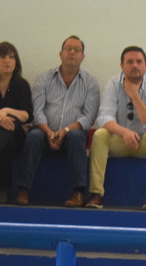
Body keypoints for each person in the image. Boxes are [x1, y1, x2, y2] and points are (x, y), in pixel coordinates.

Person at [15, 36, 99, 207]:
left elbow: (88, 116)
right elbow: (37, 111)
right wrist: (48, 132)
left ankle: (79, 192)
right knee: (33, 136)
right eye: (68, 48)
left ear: (83, 56)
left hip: (72, 134)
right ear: (60, 54)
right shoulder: (44, 78)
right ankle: (23, 190)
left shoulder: (90, 83)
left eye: (77, 50)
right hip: (44, 131)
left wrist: (65, 130)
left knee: (76, 136)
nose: (72, 52)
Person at [86, 46, 146, 211]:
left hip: (143, 145)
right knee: (100, 134)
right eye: (130, 62)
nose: (135, 65)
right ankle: (95, 194)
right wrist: (124, 132)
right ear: (122, 65)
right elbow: (104, 118)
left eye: (139, 62)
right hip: (120, 142)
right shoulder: (113, 83)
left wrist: (134, 95)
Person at [0, 42, 33, 200]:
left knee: (10, 126)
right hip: (5, 139)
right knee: (5, 140)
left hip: (18, 134)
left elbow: (27, 115)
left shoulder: (21, 85)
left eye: (11, 57)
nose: (7, 60)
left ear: (16, 61)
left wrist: (6, 111)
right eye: (3, 56)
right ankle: (3, 189)